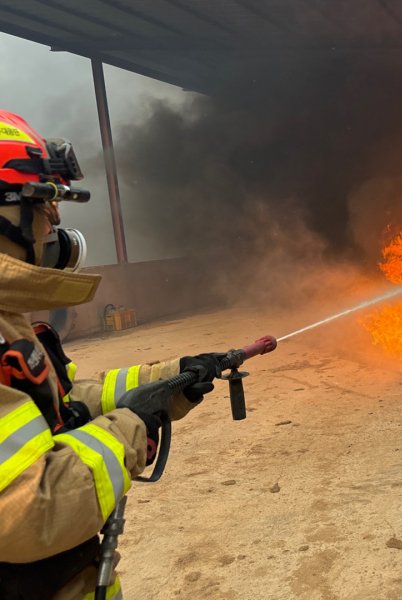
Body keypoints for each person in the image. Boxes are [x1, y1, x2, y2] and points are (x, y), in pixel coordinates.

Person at [0, 109, 219, 599]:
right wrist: (130, 427)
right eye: (43, 202)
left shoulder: (8, 318)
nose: (54, 221)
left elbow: (67, 399)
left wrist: (172, 379)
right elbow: (31, 509)